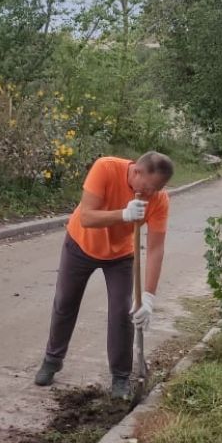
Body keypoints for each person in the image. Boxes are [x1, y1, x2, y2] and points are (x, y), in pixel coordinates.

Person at [33, 151, 173, 399]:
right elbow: (86, 217)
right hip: (80, 244)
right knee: (65, 301)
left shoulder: (159, 199)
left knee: (122, 312)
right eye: (149, 188)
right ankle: (52, 360)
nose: (152, 194)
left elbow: (155, 249)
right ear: (137, 172)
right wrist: (124, 214)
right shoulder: (105, 168)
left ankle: (120, 376)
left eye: (158, 190)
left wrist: (149, 297)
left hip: (119, 256)